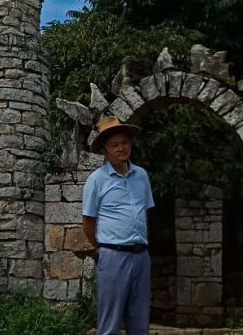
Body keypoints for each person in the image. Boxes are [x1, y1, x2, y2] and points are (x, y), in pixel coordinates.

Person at [81, 115, 155, 335]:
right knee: (110, 323)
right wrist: (103, 249)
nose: (121, 148)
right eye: (114, 145)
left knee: (140, 321)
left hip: (141, 256)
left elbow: (144, 213)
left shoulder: (141, 176)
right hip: (113, 255)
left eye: (125, 143)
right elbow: (88, 223)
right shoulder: (96, 180)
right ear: (105, 150)